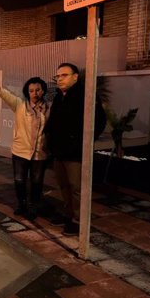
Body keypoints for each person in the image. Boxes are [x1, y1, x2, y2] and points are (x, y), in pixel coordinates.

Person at [45, 62, 106, 235]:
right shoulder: (59, 96)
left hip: (75, 153)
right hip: (59, 151)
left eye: (64, 75)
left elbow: (99, 121)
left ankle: (79, 220)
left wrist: (83, 142)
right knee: (63, 186)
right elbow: (54, 121)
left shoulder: (85, 95)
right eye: (57, 76)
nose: (59, 79)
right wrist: (50, 139)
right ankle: (69, 214)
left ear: (75, 77)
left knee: (76, 188)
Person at [0, 78, 50, 220]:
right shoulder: (20, 106)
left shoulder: (48, 109)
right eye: (31, 91)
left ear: (43, 91)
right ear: (27, 92)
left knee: (37, 182)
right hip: (20, 151)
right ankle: (21, 204)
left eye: (38, 90)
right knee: (19, 180)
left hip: (39, 153)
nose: (34, 93)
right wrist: (0, 91)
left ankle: (33, 206)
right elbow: (9, 98)